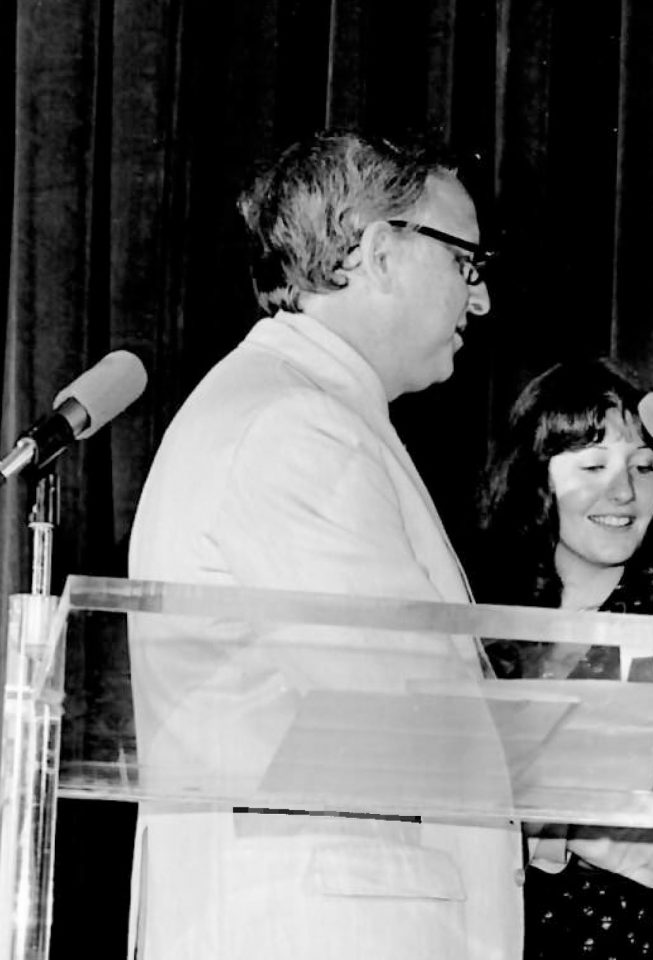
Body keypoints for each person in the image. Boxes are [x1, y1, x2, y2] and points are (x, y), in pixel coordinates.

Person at [126, 131, 522, 959]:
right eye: (466, 263)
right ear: (380, 253)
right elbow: (408, 705)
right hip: (327, 927)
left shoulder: (295, 404)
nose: (480, 300)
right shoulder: (297, 424)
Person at [473, 357, 653, 960]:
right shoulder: (473, 620)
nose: (624, 491)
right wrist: (571, 826)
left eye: (644, 466)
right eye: (593, 466)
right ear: (536, 476)